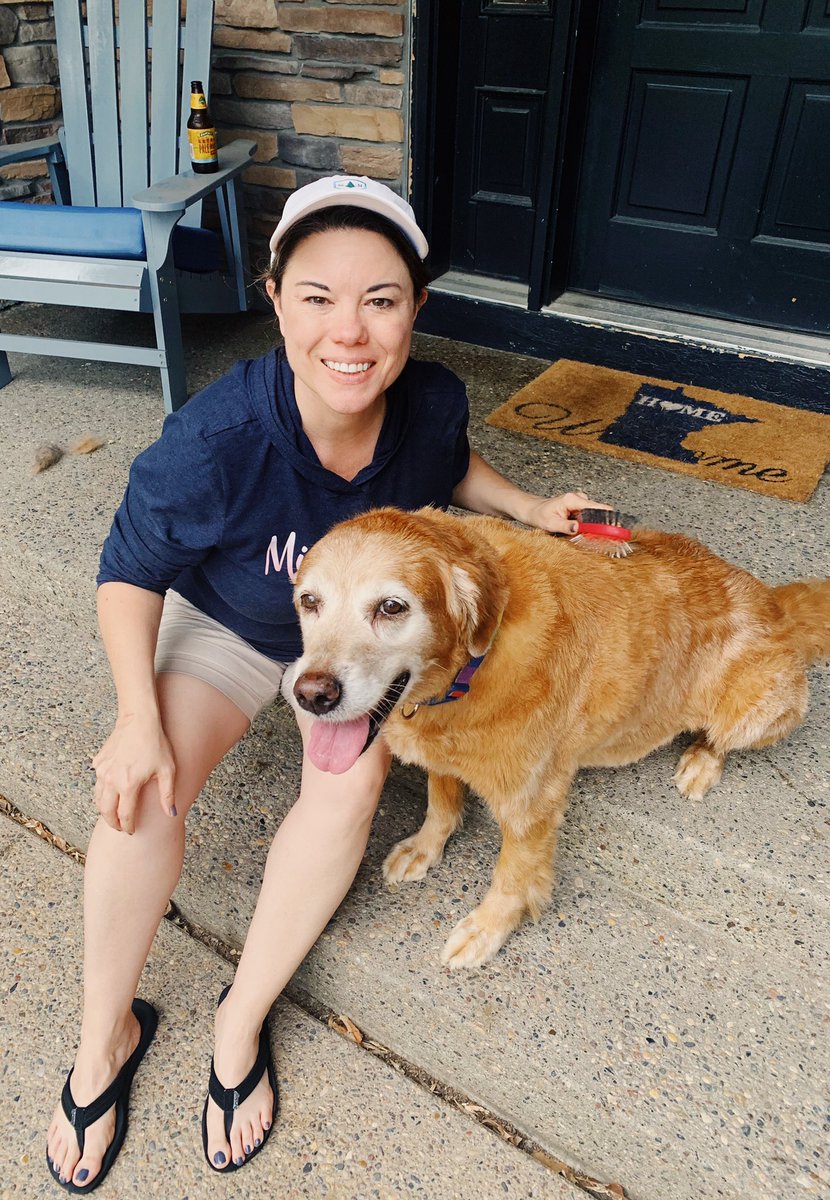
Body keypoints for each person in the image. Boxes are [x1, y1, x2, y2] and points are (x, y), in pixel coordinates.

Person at [45, 175, 608, 1190]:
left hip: (359, 643)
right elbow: (128, 570)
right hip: (230, 626)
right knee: (138, 795)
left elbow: (452, 462)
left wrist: (528, 510)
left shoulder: (429, 401)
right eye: (317, 297)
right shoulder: (214, 441)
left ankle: (239, 1020)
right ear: (275, 300)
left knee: (347, 789)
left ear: (414, 308)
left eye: (379, 300)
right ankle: (103, 1040)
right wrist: (136, 718)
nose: (349, 331)